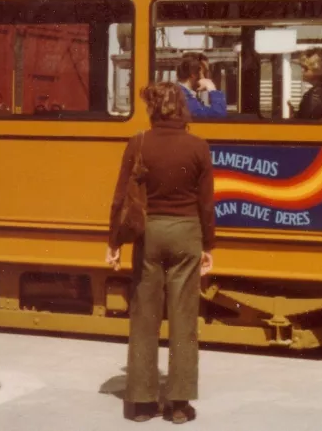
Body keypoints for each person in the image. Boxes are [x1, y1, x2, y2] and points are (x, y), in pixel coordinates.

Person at [106, 82, 215, 424]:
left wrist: (113, 243)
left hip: (148, 234)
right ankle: (179, 404)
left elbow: (120, 198)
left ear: (153, 109)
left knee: (144, 317)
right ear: (182, 108)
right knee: (184, 319)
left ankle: (140, 403)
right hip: (186, 234)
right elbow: (207, 204)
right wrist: (209, 246)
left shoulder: (138, 143)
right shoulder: (198, 146)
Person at [176, 52, 226, 118]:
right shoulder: (184, 98)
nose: (207, 77)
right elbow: (219, 115)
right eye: (205, 72)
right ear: (193, 74)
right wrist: (211, 87)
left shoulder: (180, 94)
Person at [291, 47, 322, 120]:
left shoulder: (315, 94)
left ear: (318, 70)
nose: (302, 71)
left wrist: (293, 115)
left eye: (305, 68)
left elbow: (307, 123)